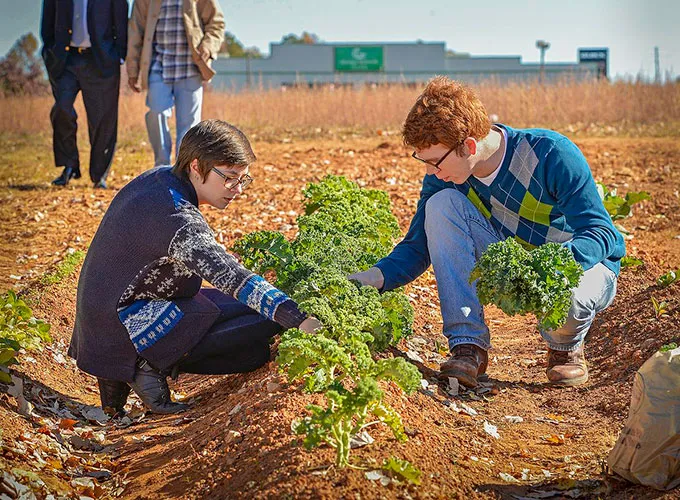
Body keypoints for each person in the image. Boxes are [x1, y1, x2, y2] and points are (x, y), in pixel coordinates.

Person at [350, 77, 624, 388]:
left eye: (434, 162)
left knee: (570, 298)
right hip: (510, 256)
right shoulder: (445, 177)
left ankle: (565, 348)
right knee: (440, 206)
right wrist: (374, 277)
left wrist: (556, 264)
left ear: (468, 146)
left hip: (578, 262)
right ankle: (469, 348)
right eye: (423, 161)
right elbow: (417, 247)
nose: (430, 172)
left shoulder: (550, 154)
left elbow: (600, 232)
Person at [69, 120, 322, 415]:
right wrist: (298, 317)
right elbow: (231, 276)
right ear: (196, 166)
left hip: (106, 315)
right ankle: (144, 363)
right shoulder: (176, 217)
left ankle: (128, 371)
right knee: (266, 328)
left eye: (243, 179)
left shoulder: (159, 180)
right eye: (229, 178)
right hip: (124, 323)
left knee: (255, 343)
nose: (238, 189)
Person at [40, 0, 128, 188]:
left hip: (102, 61)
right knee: (62, 108)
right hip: (66, 60)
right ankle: (69, 165)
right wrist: (49, 53)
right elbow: (47, 23)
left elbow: (121, 21)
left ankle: (99, 175)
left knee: (102, 119)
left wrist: (119, 54)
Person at [126, 0, 225, 166]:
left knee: (189, 124)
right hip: (159, 66)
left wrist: (208, 46)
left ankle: (183, 169)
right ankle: (162, 164)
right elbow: (136, 31)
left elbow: (216, 23)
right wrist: (133, 69)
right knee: (156, 113)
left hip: (190, 67)